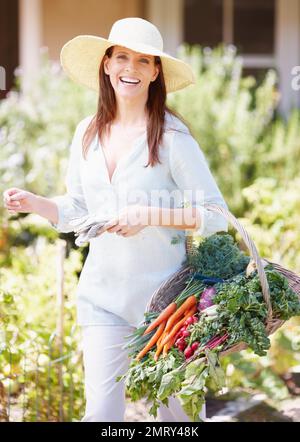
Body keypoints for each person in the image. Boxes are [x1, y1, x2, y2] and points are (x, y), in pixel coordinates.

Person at [3, 17, 228, 422]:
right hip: (103, 300)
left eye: (143, 61)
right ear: (106, 64)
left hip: (168, 305)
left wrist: (150, 215)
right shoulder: (86, 133)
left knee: (177, 420)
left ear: (156, 72)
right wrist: (37, 203)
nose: (131, 68)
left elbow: (216, 216)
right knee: (102, 417)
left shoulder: (173, 138)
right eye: (122, 57)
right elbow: (78, 209)